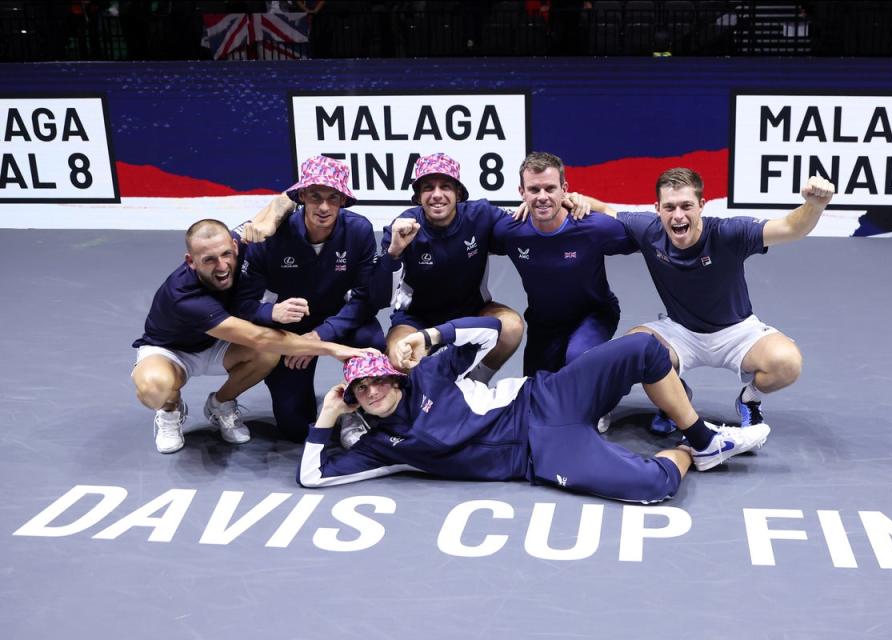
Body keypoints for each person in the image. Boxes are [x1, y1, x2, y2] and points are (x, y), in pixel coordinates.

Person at [297, 316, 771, 502]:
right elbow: (313, 477)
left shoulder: (428, 374)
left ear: (395, 376)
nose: (373, 391)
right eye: (361, 390)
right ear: (354, 399)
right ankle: (690, 453)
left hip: (544, 397)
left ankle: (707, 441)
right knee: (650, 486)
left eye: (378, 379)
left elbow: (495, 330)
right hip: (539, 455)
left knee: (644, 349)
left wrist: (432, 337)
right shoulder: (383, 446)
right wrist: (325, 417)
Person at [589, 168, 836, 431]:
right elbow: (604, 211)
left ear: (701, 206)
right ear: (657, 208)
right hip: (680, 331)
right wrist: (570, 198)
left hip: (737, 332)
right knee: (633, 350)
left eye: (686, 206)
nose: (678, 215)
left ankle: (749, 401)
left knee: (787, 362)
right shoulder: (649, 230)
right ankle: (676, 399)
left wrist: (815, 205)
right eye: (670, 207)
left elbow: (791, 228)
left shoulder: (728, 233)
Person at [131, 219, 370, 454]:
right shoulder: (183, 296)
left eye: (226, 254)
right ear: (191, 262)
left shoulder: (243, 241)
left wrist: (273, 215)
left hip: (218, 345)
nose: (222, 266)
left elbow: (279, 205)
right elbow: (259, 337)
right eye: (209, 260)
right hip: (172, 351)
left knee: (268, 355)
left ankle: (221, 404)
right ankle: (170, 409)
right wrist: (332, 348)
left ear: (235, 246)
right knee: (154, 388)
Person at [232, 155, 386, 441]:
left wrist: (319, 337)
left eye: (333, 197)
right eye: (315, 196)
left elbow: (365, 299)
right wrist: (271, 313)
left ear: (342, 200)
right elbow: (243, 304)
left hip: (338, 321)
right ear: (302, 196)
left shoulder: (360, 231)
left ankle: (354, 409)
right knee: (292, 427)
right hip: (288, 327)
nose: (324, 207)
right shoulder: (272, 237)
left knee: (372, 342)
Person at [489, 151, 638, 432]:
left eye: (550, 188)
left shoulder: (593, 227)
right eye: (534, 189)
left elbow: (644, 233)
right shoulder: (509, 231)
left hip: (594, 314)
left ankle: (608, 393)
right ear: (521, 192)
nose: (542, 196)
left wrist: (595, 204)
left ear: (565, 190)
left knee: (578, 362)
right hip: (544, 324)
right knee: (538, 402)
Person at [376, 152, 525, 383]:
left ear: (458, 193)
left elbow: (526, 226)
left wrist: (563, 203)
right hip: (417, 318)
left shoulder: (481, 214)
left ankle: (476, 382)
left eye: (445, 186)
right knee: (399, 357)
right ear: (418, 196)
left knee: (511, 326)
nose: (437, 195)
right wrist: (394, 251)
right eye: (428, 188)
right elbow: (379, 294)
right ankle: (422, 401)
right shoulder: (402, 227)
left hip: (473, 313)